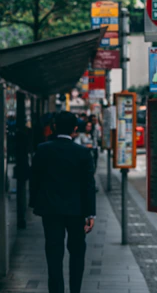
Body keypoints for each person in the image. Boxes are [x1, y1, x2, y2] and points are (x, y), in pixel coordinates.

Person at [29, 111, 96, 293]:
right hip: (77, 211)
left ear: (54, 127)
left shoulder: (43, 149)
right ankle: (75, 289)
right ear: (75, 129)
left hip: (50, 211)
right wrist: (90, 213)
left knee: (54, 255)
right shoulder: (83, 153)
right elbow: (89, 185)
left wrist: (34, 203)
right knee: (76, 254)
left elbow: (34, 179)